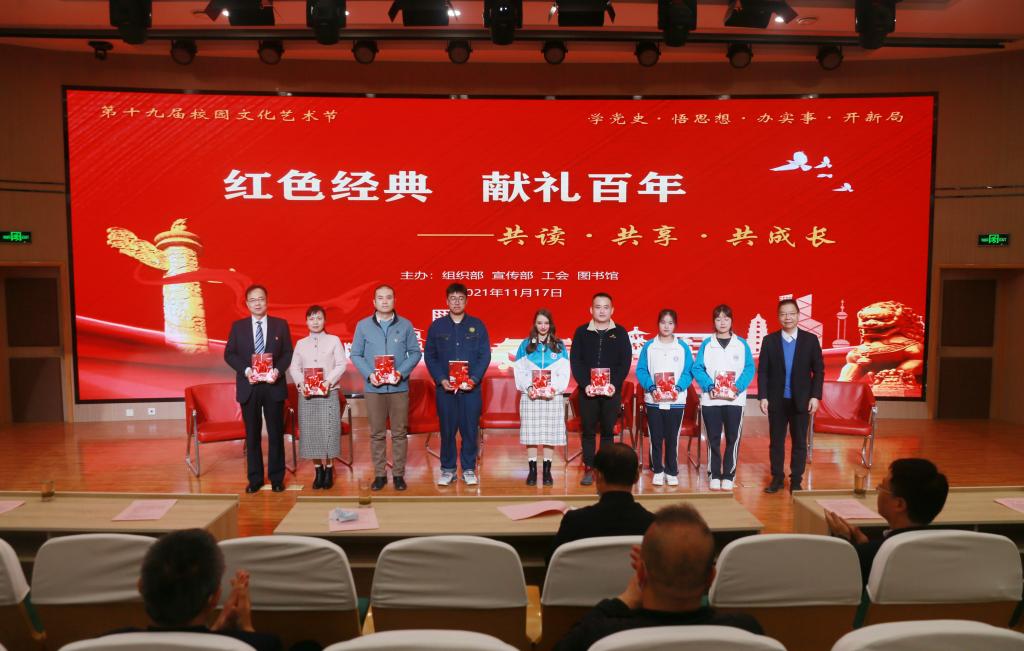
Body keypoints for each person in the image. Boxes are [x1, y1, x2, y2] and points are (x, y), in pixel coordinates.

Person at [554, 504, 763, 651]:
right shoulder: (746, 632)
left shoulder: (601, 635)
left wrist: (624, 600)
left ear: (641, 574)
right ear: (711, 577)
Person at [107, 528, 284, 651]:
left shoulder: (111, 642)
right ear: (215, 598)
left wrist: (215, 631)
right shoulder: (262, 645)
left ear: (140, 587)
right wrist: (246, 629)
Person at [825, 458, 949, 583]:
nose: (877, 489)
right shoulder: (945, 553)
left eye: (882, 487)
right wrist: (865, 545)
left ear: (899, 504)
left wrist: (842, 540)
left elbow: (834, 576)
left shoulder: (871, 555)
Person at [349, 284, 423, 492]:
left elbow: (415, 353)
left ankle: (398, 474)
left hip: (399, 387)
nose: (384, 301)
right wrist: (369, 374)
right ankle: (380, 474)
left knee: (399, 433)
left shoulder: (405, 325)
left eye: (388, 297)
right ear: (374, 302)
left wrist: (400, 373)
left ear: (394, 300)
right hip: (374, 389)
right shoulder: (363, 326)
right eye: (380, 298)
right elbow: (355, 354)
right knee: (377, 433)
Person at [224, 285, 294, 493]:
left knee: (275, 433)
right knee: (252, 435)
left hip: (273, 386)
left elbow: (288, 353)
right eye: (253, 300)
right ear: (247, 304)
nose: (257, 303)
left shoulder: (280, 325)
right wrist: (246, 370)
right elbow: (229, 354)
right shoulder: (238, 327)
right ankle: (254, 479)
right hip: (250, 386)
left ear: (267, 300)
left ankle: (277, 478)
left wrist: (277, 371)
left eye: (261, 299)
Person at [424, 283, 491, 486]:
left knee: (470, 430)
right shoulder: (437, 327)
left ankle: (469, 469)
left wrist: (474, 379)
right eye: (453, 298)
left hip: (471, 390)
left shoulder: (478, 325)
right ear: (447, 301)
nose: (456, 302)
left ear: (466, 301)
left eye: (461, 298)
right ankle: (448, 470)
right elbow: (430, 356)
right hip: (446, 390)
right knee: (447, 431)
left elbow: (484, 356)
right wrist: (441, 379)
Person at [756, 298, 824, 493]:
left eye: (791, 314)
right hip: (777, 401)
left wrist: (815, 396)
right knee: (776, 442)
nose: (788, 317)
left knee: (800, 443)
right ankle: (777, 478)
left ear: (798, 315)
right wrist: (763, 396)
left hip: (801, 400)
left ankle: (796, 481)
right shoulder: (769, 340)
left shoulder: (810, 340)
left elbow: (819, 371)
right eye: (783, 314)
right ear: (778, 317)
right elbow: (763, 371)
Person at [548, 443, 654, 564]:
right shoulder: (653, 525)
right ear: (637, 476)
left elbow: (552, 562)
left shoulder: (574, 521)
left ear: (597, 475)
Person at [569, 292, 633, 486]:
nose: (602, 311)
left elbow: (625, 362)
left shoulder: (620, 333)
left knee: (607, 432)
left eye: (606, 307)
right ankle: (589, 468)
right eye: (598, 307)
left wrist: (614, 383)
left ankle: (605, 470)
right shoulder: (581, 332)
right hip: (587, 392)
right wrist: (585, 384)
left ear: (612, 310)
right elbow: (576, 362)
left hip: (611, 392)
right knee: (588, 431)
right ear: (591, 310)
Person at [692, 304, 755, 492]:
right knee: (712, 439)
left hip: (735, 400)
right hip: (711, 400)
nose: (722, 322)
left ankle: (728, 475)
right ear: (714, 322)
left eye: (726, 318)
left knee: (732, 438)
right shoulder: (707, 343)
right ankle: (714, 474)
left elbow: (749, 368)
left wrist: (738, 387)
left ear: (731, 321)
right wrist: (709, 386)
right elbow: (697, 368)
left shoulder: (741, 344)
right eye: (718, 319)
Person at [287, 305, 347, 491]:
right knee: (311, 433)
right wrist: (301, 383)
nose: (315, 322)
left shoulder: (334, 340)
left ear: (325, 321)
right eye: (311, 318)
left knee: (329, 432)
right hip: (307, 395)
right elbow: (294, 367)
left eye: (319, 318)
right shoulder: (301, 343)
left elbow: (341, 364)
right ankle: (318, 470)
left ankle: (329, 469)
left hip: (329, 392)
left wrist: (328, 381)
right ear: (306, 322)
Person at [635, 309, 693, 487]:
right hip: (654, 400)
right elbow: (641, 370)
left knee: (672, 437)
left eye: (670, 323)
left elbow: (688, 371)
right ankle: (658, 470)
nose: (666, 326)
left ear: (675, 325)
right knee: (656, 436)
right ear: (658, 324)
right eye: (663, 322)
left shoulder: (682, 347)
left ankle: (671, 471)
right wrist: (652, 387)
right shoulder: (649, 346)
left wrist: (678, 387)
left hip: (676, 401)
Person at [513, 309, 570, 487]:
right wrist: (529, 387)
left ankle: (547, 471)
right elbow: (519, 371)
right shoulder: (525, 345)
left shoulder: (559, 345)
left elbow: (564, 373)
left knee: (549, 434)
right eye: (539, 323)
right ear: (535, 324)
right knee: (531, 435)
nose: (543, 326)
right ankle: (532, 470)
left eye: (546, 323)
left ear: (550, 325)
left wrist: (554, 388)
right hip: (530, 397)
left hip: (552, 397)